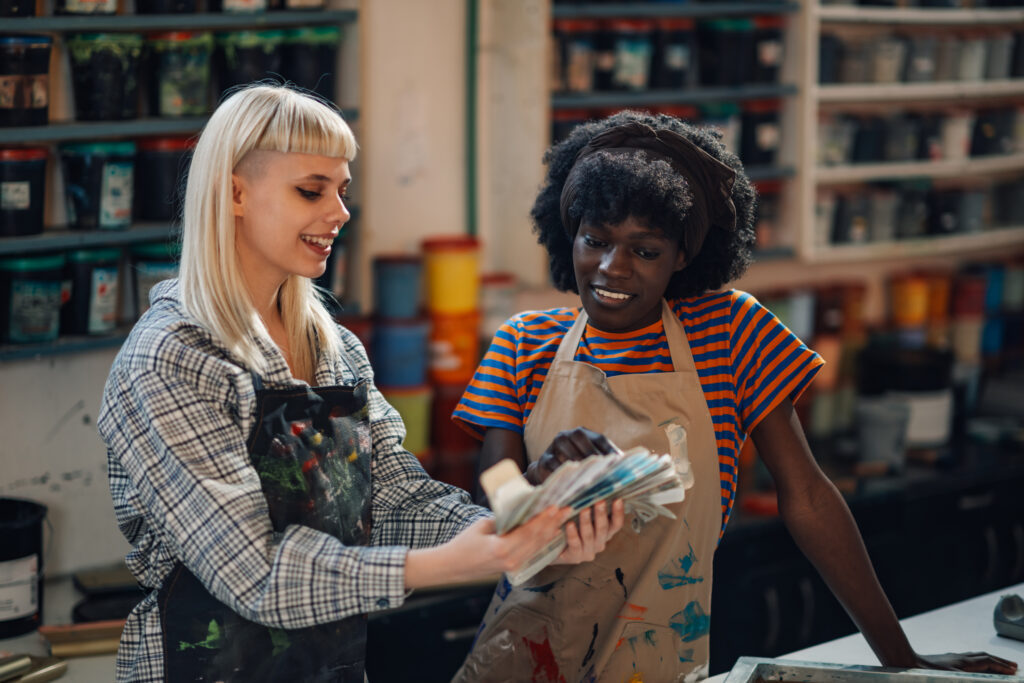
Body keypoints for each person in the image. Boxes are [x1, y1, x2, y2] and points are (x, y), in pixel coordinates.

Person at [451, 111, 1019, 682]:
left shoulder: (729, 334)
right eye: (594, 240)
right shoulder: (524, 342)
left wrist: (901, 657)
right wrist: (541, 478)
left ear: (683, 256)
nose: (610, 268)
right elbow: (491, 503)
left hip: (658, 661)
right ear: (569, 233)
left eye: (644, 250)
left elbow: (808, 496)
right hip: (524, 658)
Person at [96, 83, 623, 683]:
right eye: (310, 190)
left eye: (341, 190)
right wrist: (452, 565)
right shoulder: (172, 357)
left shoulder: (333, 349)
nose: (340, 212)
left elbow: (395, 500)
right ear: (234, 192)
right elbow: (254, 573)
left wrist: (520, 536)